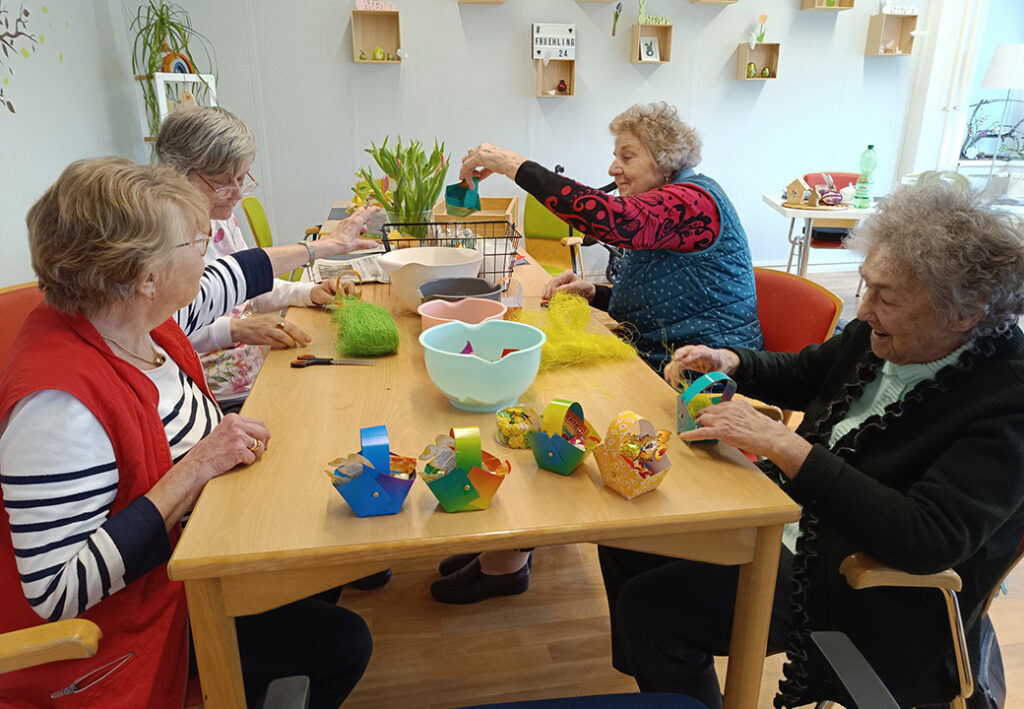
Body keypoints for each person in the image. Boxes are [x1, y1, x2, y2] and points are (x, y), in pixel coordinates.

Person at [600, 180, 1024, 708]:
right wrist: (733, 361)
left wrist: (788, 449)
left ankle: (668, 676)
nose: (863, 308)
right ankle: (664, 683)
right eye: (865, 285)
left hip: (858, 574)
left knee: (651, 608)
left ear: (966, 312)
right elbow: (806, 374)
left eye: (885, 296)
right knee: (626, 534)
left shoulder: (1007, 399)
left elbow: (928, 537)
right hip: (794, 518)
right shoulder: (890, 336)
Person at [0, 158, 380, 708]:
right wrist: (197, 467)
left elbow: (236, 274)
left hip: (202, 548)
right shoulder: (59, 410)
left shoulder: (132, 315)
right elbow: (58, 590)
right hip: (136, 623)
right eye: (197, 245)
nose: (211, 257)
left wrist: (325, 247)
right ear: (144, 275)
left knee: (319, 559)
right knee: (342, 644)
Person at [429, 101, 763, 605]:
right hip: (654, 357)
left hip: (698, 380)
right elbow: (654, 279)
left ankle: (511, 555)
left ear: (666, 159)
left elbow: (615, 222)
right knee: (543, 405)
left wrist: (512, 165)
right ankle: (514, 546)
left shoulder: (695, 202)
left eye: (626, 156)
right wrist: (595, 293)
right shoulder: (668, 204)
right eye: (615, 156)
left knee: (559, 408)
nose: (613, 168)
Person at [156, 108, 391, 592]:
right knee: (306, 441)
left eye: (243, 178)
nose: (238, 192)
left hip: (252, 364)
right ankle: (319, 557)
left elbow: (244, 281)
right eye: (225, 181)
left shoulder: (218, 221)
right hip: (220, 383)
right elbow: (181, 322)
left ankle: (346, 553)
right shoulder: (164, 240)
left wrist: (306, 293)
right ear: (178, 174)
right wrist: (237, 329)